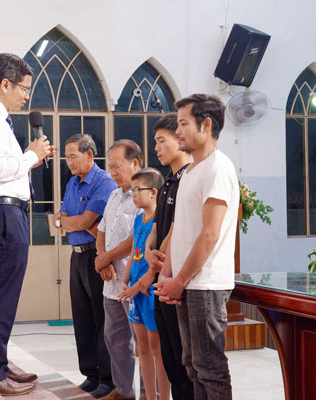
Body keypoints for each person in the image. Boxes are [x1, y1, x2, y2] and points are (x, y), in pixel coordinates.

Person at [0, 53, 53, 396]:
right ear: (5, 84)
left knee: (5, 294)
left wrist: (28, 157)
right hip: (1, 214)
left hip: (7, 212)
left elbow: (4, 166)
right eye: (24, 88)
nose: (27, 95)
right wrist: (31, 155)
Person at [154, 94, 239, 400]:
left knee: (210, 369)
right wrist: (166, 275)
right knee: (192, 366)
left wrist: (179, 280)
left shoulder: (218, 167)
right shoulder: (192, 170)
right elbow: (180, 231)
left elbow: (210, 234)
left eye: (183, 124)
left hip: (205, 283)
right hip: (188, 282)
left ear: (206, 125)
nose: (178, 131)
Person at [52, 134, 117, 398]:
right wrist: (67, 222)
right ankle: (91, 374)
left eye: (72, 156)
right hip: (76, 256)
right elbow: (60, 217)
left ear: (89, 155)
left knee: (102, 319)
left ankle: (108, 379)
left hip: (96, 256)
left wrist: (68, 222)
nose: (68, 162)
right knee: (82, 318)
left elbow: (83, 222)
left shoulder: (103, 182)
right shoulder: (72, 182)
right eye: (66, 157)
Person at [139, 113, 194, 400]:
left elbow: (177, 227)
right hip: (160, 275)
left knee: (185, 358)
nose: (157, 148)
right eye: (156, 142)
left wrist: (157, 263)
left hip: (175, 277)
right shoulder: (167, 183)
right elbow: (157, 227)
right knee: (170, 355)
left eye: (162, 141)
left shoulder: (189, 178)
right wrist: (150, 250)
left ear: (180, 139)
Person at [95, 140, 146, 400]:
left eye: (117, 166)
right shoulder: (114, 195)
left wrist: (106, 258)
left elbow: (138, 237)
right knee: (115, 339)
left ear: (135, 163)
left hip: (134, 281)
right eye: (110, 167)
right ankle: (124, 391)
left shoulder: (144, 194)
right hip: (111, 282)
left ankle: (149, 393)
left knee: (144, 341)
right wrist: (101, 258)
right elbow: (102, 229)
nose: (112, 172)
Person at [119, 168, 169, 400]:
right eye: (132, 191)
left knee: (158, 349)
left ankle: (164, 396)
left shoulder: (161, 220)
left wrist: (137, 285)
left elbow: (158, 261)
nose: (133, 195)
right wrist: (124, 279)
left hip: (149, 290)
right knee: (143, 348)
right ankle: (149, 396)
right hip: (134, 291)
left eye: (137, 190)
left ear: (153, 192)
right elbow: (134, 252)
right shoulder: (139, 219)